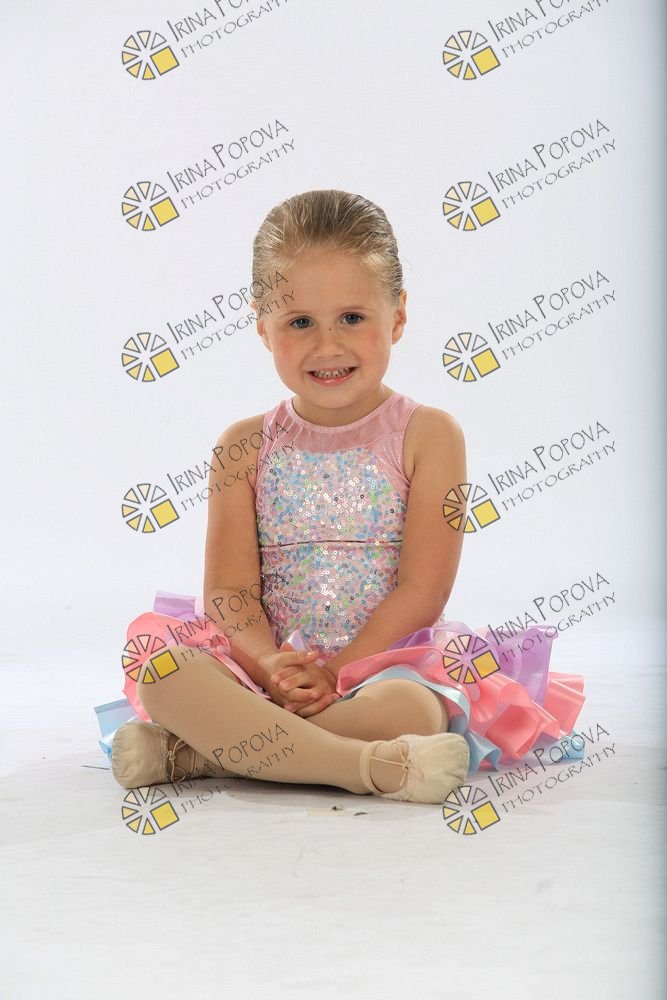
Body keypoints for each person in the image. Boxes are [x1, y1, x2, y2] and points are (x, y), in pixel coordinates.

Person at [108, 189, 584, 804]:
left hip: (384, 666)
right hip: (264, 673)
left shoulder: (429, 435)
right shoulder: (243, 446)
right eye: (299, 322)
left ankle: (201, 752)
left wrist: (338, 672)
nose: (327, 346)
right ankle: (368, 767)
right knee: (164, 671)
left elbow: (423, 588)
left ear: (398, 316)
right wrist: (270, 668)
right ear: (263, 326)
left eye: (352, 318)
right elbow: (228, 591)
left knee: (414, 711)